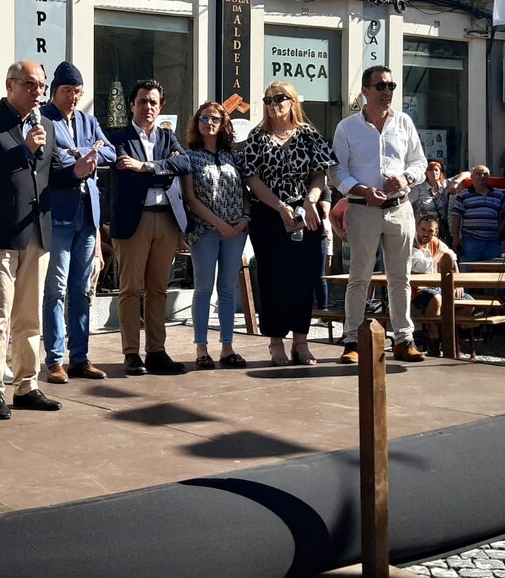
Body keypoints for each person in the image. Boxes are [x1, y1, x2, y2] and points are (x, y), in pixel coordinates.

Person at [0, 61, 98, 420]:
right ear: (10, 85)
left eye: (41, 85)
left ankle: (27, 385)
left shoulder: (46, 126)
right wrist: (22, 149)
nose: (38, 91)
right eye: (31, 85)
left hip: (36, 231)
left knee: (29, 315)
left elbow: (50, 176)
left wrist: (76, 172)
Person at [331, 65, 428, 364]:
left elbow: (419, 162)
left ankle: (403, 340)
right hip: (362, 209)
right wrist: (360, 190)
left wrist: (405, 179)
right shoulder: (347, 127)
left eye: (391, 86)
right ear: (365, 91)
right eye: (381, 86)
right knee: (359, 278)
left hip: (400, 208)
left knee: (401, 278)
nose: (387, 92)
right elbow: (336, 170)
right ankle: (352, 341)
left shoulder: (404, 122)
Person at [242, 81, 334, 366]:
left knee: (304, 279)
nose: (273, 105)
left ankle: (301, 342)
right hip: (270, 214)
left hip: (305, 212)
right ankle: (275, 342)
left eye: (279, 99)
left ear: (293, 101)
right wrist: (279, 206)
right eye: (268, 100)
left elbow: (320, 174)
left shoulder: (308, 135)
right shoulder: (258, 136)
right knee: (273, 279)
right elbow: (251, 179)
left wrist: (310, 200)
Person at [39, 62, 116, 383]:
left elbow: (110, 152)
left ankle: (80, 358)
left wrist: (80, 152)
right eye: (68, 91)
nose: (73, 97)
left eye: (78, 92)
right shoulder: (43, 119)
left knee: (82, 290)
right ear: (55, 91)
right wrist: (79, 160)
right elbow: (51, 160)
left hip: (88, 217)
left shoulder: (88, 120)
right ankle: (55, 359)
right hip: (58, 216)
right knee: (55, 289)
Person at [108, 79, 189, 376]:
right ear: (132, 105)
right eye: (142, 101)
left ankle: (156, 351)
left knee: (158, 289)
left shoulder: (168, 137)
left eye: (153, 102)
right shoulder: (117, 138)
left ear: (161, 106)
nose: (148, 107)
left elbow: (184, 165)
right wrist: (163, 167)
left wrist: (146, 167)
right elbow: (123, 171)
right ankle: (131, 353)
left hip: (166, 218)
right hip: (134, 219)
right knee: (131, 289)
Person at [179, 101, 249, 369]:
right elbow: (191, 198)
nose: (209, 123)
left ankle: (227, 347)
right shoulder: (189, 156)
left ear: (223, 124)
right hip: (205, 231)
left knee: (228, 289)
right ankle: (201, 349)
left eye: (215, 119)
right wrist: (218, 223)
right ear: (197, 123)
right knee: (204, 289)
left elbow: (245, 190)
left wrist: (245, 218)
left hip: (236, 231)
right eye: (204, 118)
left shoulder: (234, 156)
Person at [411, 215, 466, 357]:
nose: (425, 233)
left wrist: (456, 281)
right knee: (436, 299)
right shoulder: (411, 243)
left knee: (468, 302)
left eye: (430, 231)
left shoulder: (435, 242)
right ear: (417, 228)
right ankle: (433, 337)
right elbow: (423, 266)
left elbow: (453, 256)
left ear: (435, 232)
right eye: (423, 229)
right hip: (417, 290)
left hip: (438, 287)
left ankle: (446, 333)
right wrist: (440, 254)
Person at [451, 165, 505, 262]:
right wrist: (456, 237)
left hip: (492, 241)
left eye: (485, 174)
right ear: (472, 177)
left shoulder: (498, 194)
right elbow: (456, 217)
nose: (482, 176)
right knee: (468, 273)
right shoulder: (463, 195)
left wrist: (501, 226)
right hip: (471, 240)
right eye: (478, 174)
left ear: (489, 177)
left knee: (493, 272)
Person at [410, 159, 453, 242]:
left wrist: (456, 182)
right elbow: (407, 204)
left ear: (441, 172)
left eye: (436, 170)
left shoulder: (444, 185)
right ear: (425, 173)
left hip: (440, 230)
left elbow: (466, 174)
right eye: (430, 170)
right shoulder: (418, 188)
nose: (434, 173)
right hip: (424, 230)